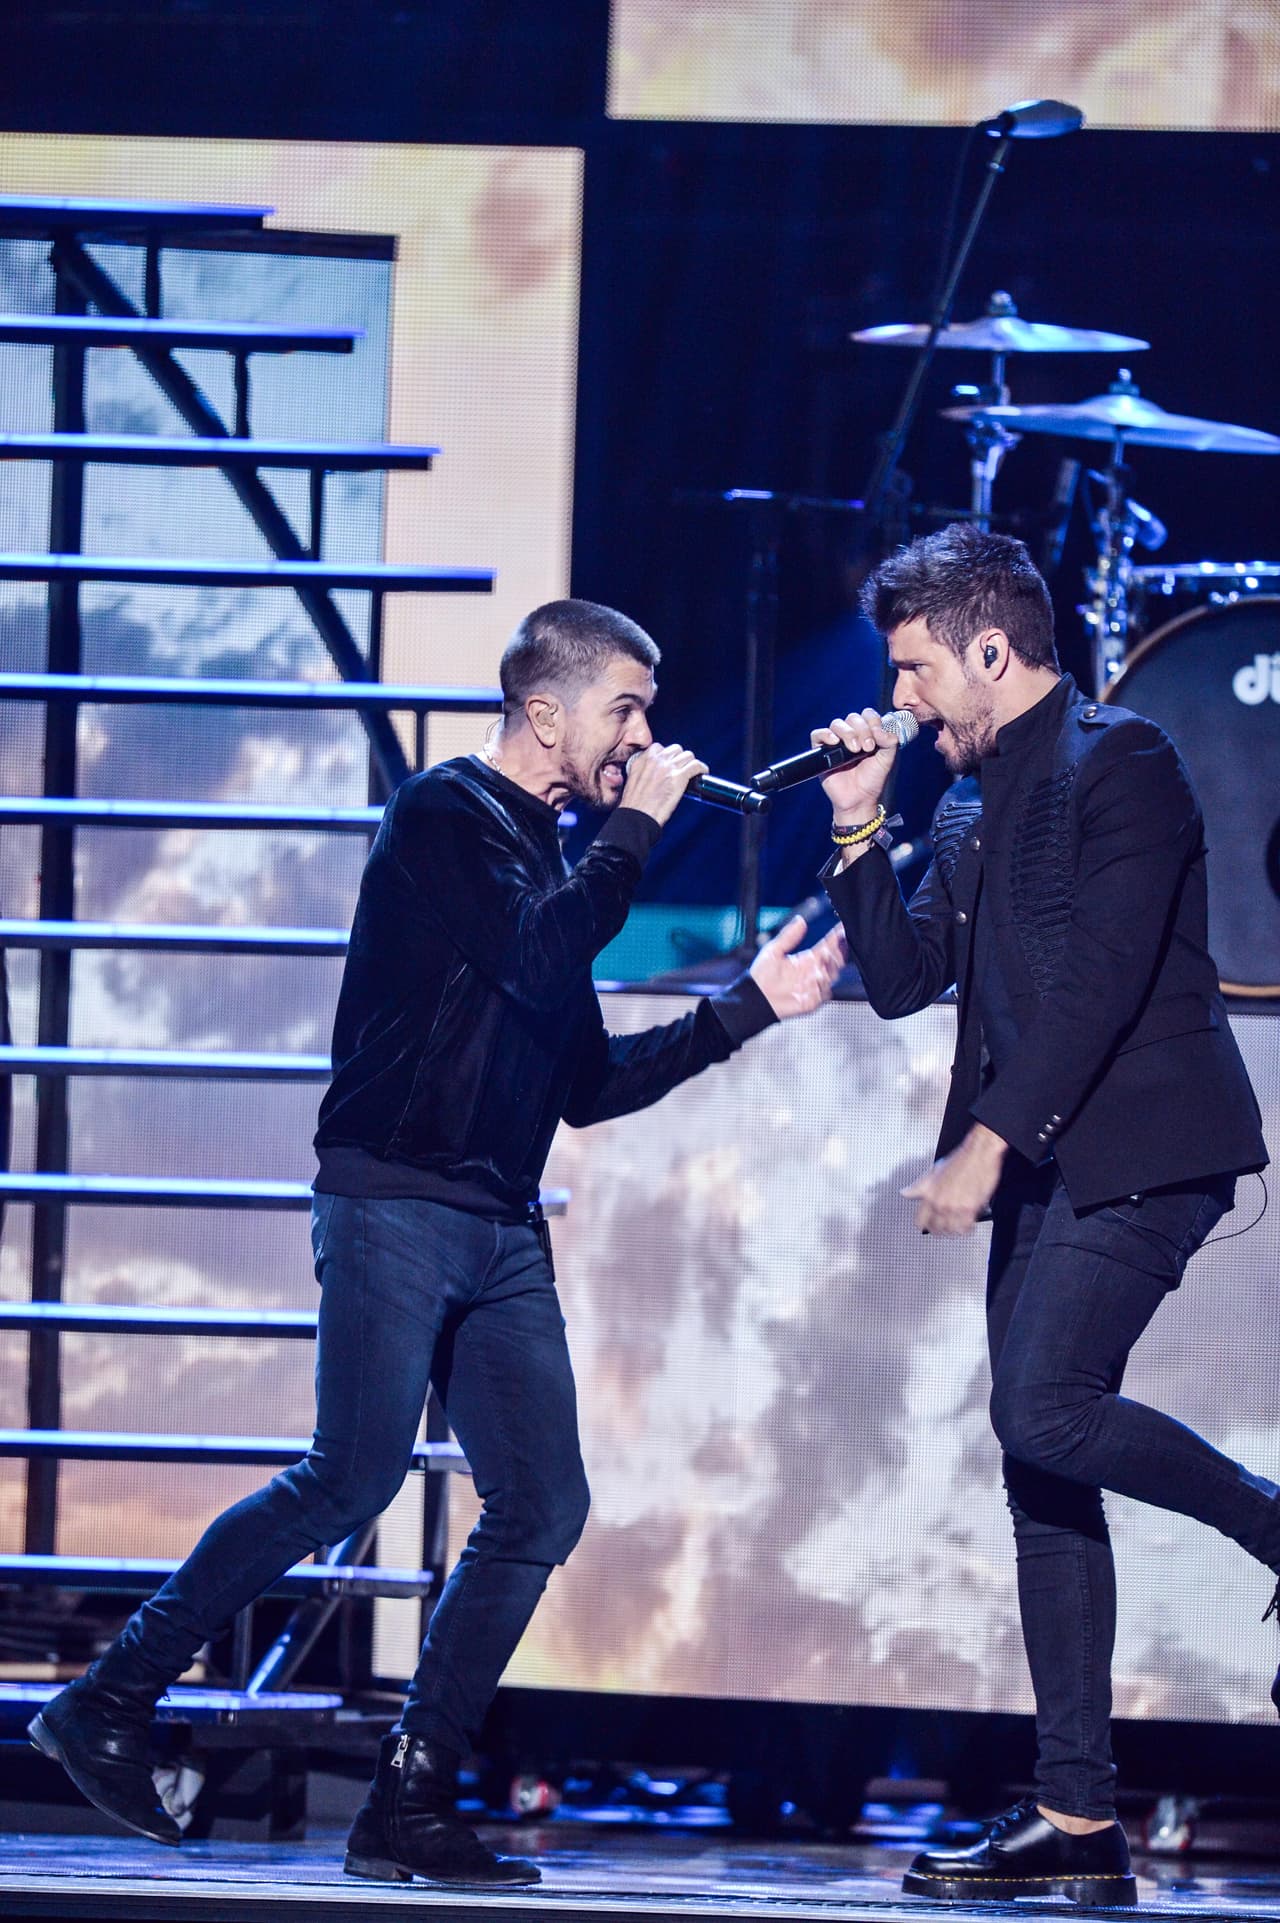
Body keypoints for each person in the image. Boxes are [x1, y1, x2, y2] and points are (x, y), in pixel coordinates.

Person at [31, 597, 845, 1887]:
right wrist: (636, 833)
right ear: (547, 711)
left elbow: (584, 1081)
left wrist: (748, 1007)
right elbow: (535, 955)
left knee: (542, 1502)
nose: (641, 736)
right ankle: (110, 1696)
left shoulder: (552, 862)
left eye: (644, 714)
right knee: (350, 1476)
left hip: (497, 1224)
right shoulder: (445, 817)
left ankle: (408, 1798)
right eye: (623, 710)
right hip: (394, 1197)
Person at [813, 524, 1272, 1908]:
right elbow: (898, 981)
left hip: (1144, 1152)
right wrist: (855, 825)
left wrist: (984, 1149)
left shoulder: (1123, 760)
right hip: (1048, 1169)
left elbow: (1100, 987)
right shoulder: (961, 803)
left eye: (912, 673)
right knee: (1042, 1470)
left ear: (991, 651)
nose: (900, 698)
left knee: (1044, 1411)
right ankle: (1080, 1825)